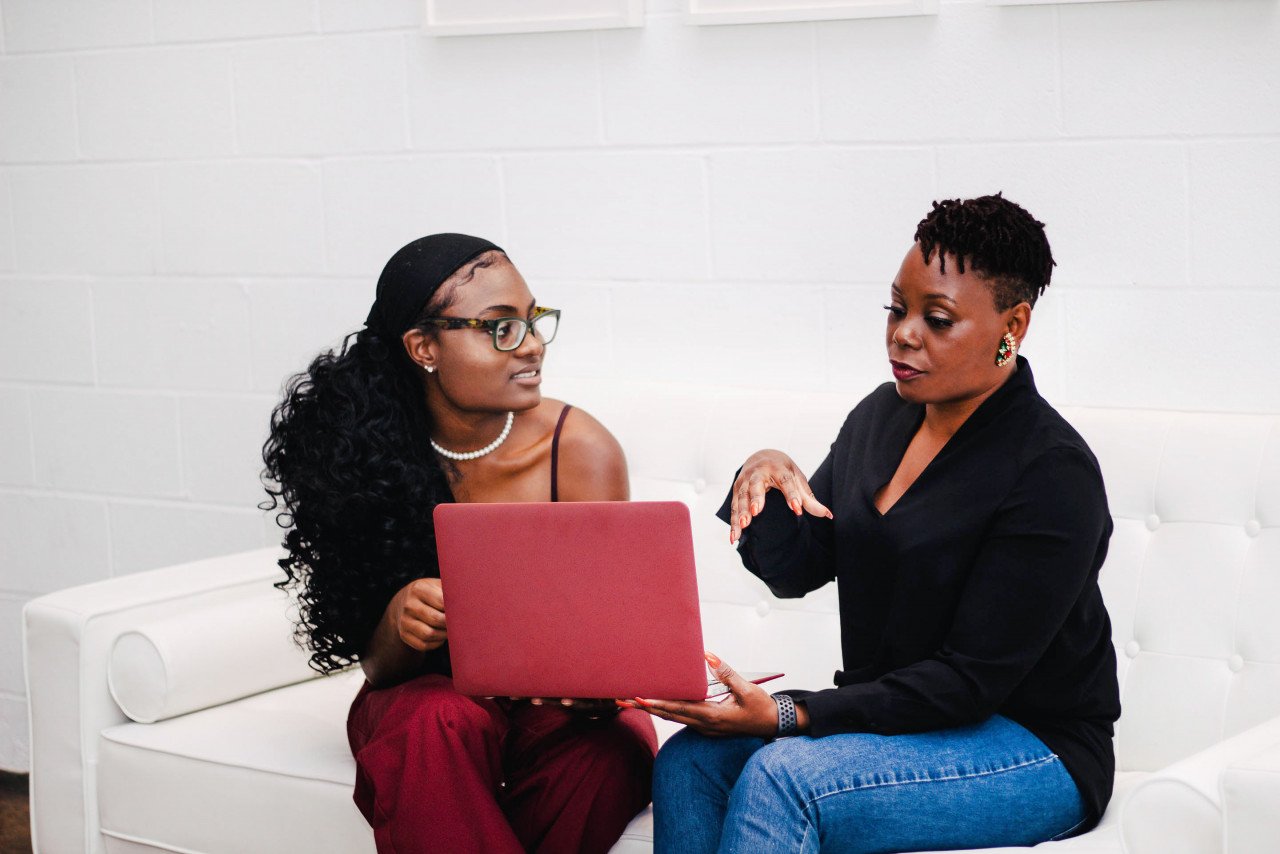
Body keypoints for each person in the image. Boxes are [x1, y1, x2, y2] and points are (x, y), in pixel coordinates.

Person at [628, 195, 1120, 853]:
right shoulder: (881, 418)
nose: (903, 334)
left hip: (1032, 746)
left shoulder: (1052, 471)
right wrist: (765, 474)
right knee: (690, 759)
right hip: (899, 723)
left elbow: (969, 685)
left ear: (1015, 325)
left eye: (936, 319)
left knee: (786, 777)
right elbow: (799, 567)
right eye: (897, 308)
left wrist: (788, 714)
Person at [261, 234, 657, 854]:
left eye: (533, 321)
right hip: (427, 703)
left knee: (618, 750)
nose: (529, 345)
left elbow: (611, 645)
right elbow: (379, 669)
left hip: (555, 712)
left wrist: (598, 687)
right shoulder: (364, 455)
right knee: (439, 720)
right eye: (499, 328)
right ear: (423, 347)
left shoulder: (579, 449)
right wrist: (399, 620)